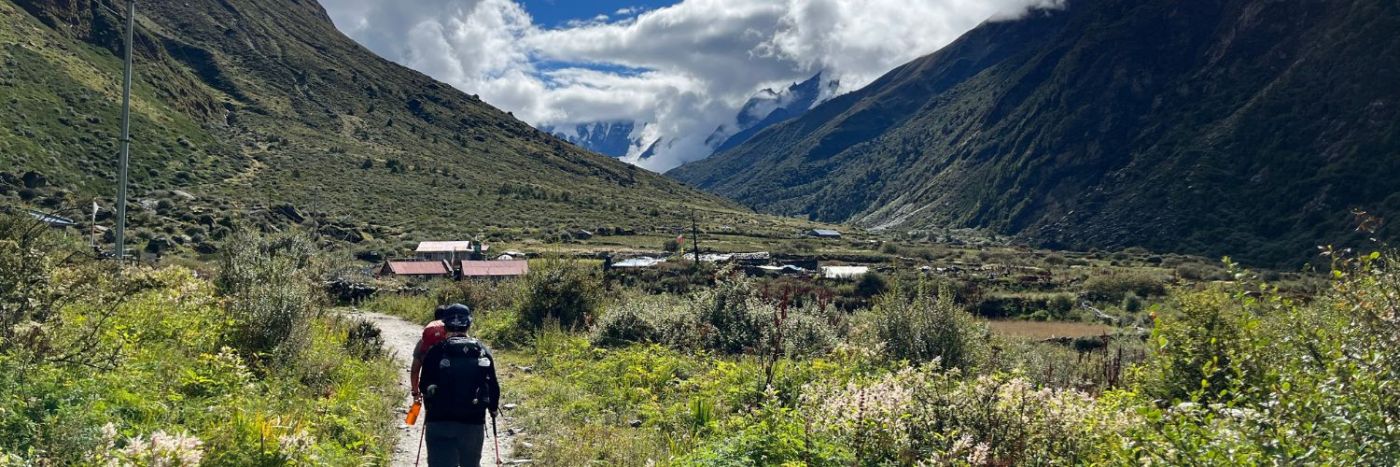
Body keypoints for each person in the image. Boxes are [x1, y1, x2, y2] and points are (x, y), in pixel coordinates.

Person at [417, 304, 501, 467]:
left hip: (439, 421)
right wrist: (493, 409)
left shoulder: (435, 351)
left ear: (444, 325)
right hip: (473, 423)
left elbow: (423, 385)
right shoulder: (481, 351)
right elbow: (493, 386)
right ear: (469, 324)